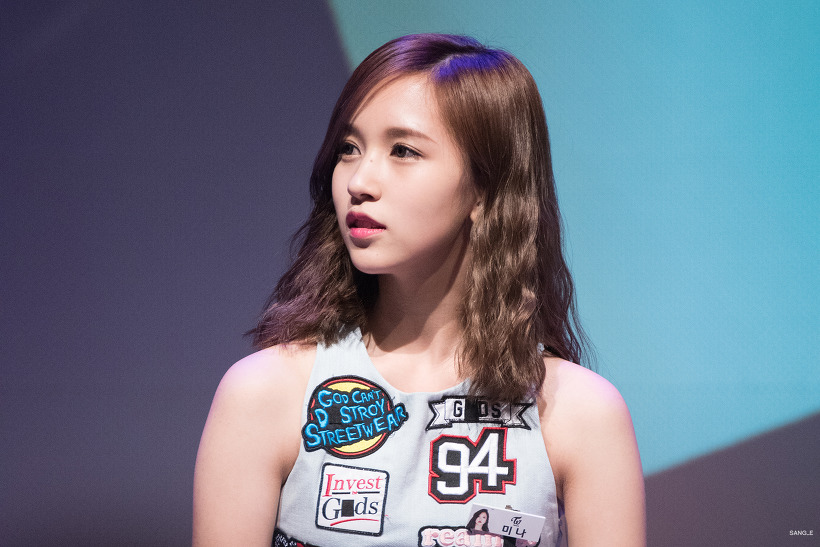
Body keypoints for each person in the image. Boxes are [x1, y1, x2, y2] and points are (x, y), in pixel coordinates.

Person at [193, 33, 645, 546]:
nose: (359, 181)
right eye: (349, 149)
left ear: (486, 189)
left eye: (403, 150)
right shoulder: (266, 394)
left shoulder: (579, 414)